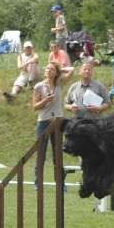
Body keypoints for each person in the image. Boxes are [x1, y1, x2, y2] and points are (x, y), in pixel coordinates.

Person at [33, 61, 74, 190]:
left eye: (51, 69)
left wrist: (60, 69)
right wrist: (45, 100)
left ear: (56, 73)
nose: (48, 71)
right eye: (47, 69)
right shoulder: (38, 86)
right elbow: (35, 107)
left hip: (57, 122)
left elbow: (71, 70)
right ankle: (37, 183)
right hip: (43, 122)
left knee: (58, 155)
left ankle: (61, 184)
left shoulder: (59, 83)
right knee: (41, 155)